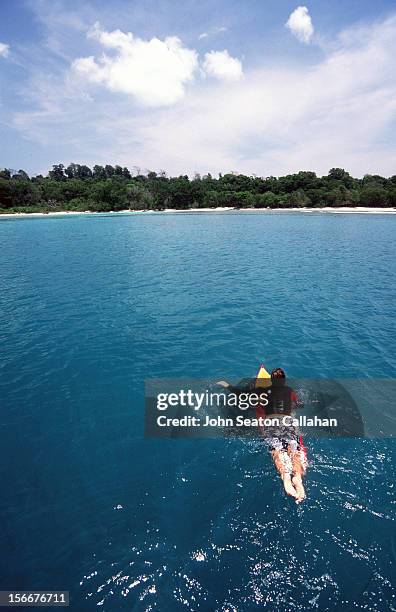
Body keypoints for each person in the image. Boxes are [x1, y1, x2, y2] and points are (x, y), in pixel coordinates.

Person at [216, 368, 307, 503]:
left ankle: (286, 478)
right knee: (296, 449)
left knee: (277, 451)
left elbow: (241, 394)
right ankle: (298, 478)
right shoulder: (290, 392)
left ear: (271, 380)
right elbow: (299, 405)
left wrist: (226, 385)